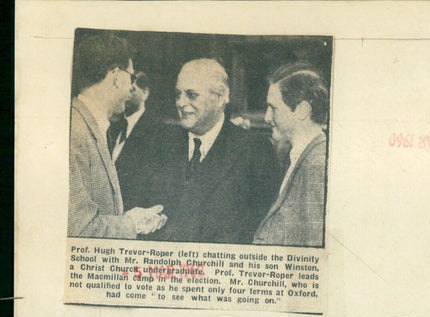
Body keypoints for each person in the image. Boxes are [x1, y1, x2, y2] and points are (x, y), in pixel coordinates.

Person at [142, 58, 279, 244]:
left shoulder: (254, 151)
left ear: (221, 98)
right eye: (177, 95)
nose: (181, 103)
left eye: (192, 95)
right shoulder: (159, 144)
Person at [68, 33, 165, 239]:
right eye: (131, 77)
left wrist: (130, 218)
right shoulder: (75, 132)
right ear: (115, 76)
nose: (132, 86)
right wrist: (131, 224)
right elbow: (81, 229)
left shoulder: (91, 126)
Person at [253, 63, 328, 247]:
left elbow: (314, 247)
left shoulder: (317, 165)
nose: (266, 117)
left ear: (302, 111)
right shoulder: (297, 156)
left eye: (273, 108)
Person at [108, 71, 166, 211]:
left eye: (132, 90)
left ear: (145, 93)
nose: (127, 95)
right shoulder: (113, 127)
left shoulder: (157, 131)